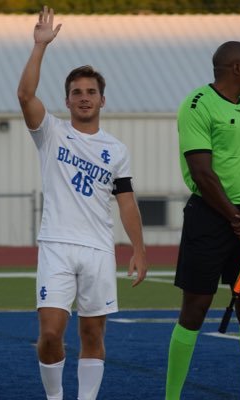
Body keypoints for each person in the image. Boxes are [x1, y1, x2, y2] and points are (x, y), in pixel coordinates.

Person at [17, 6, 148, 400]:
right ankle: (55, 397)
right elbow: (25, 95)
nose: (84, 98)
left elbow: (126, 202)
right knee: (51, 335)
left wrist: (138, 249)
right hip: (56, 246)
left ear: (102, 100)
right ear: (68, 100)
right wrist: (40, 46)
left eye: (91, 92)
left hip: (98, 249)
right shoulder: (51, 133)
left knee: (92, 333)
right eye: (77, 93)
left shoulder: (116, 150)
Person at [165, 41, 240, 400]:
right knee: (195, 307)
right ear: (236, 68)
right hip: (210, 220)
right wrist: (236, 219)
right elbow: (202, 172)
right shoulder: (197, 105)